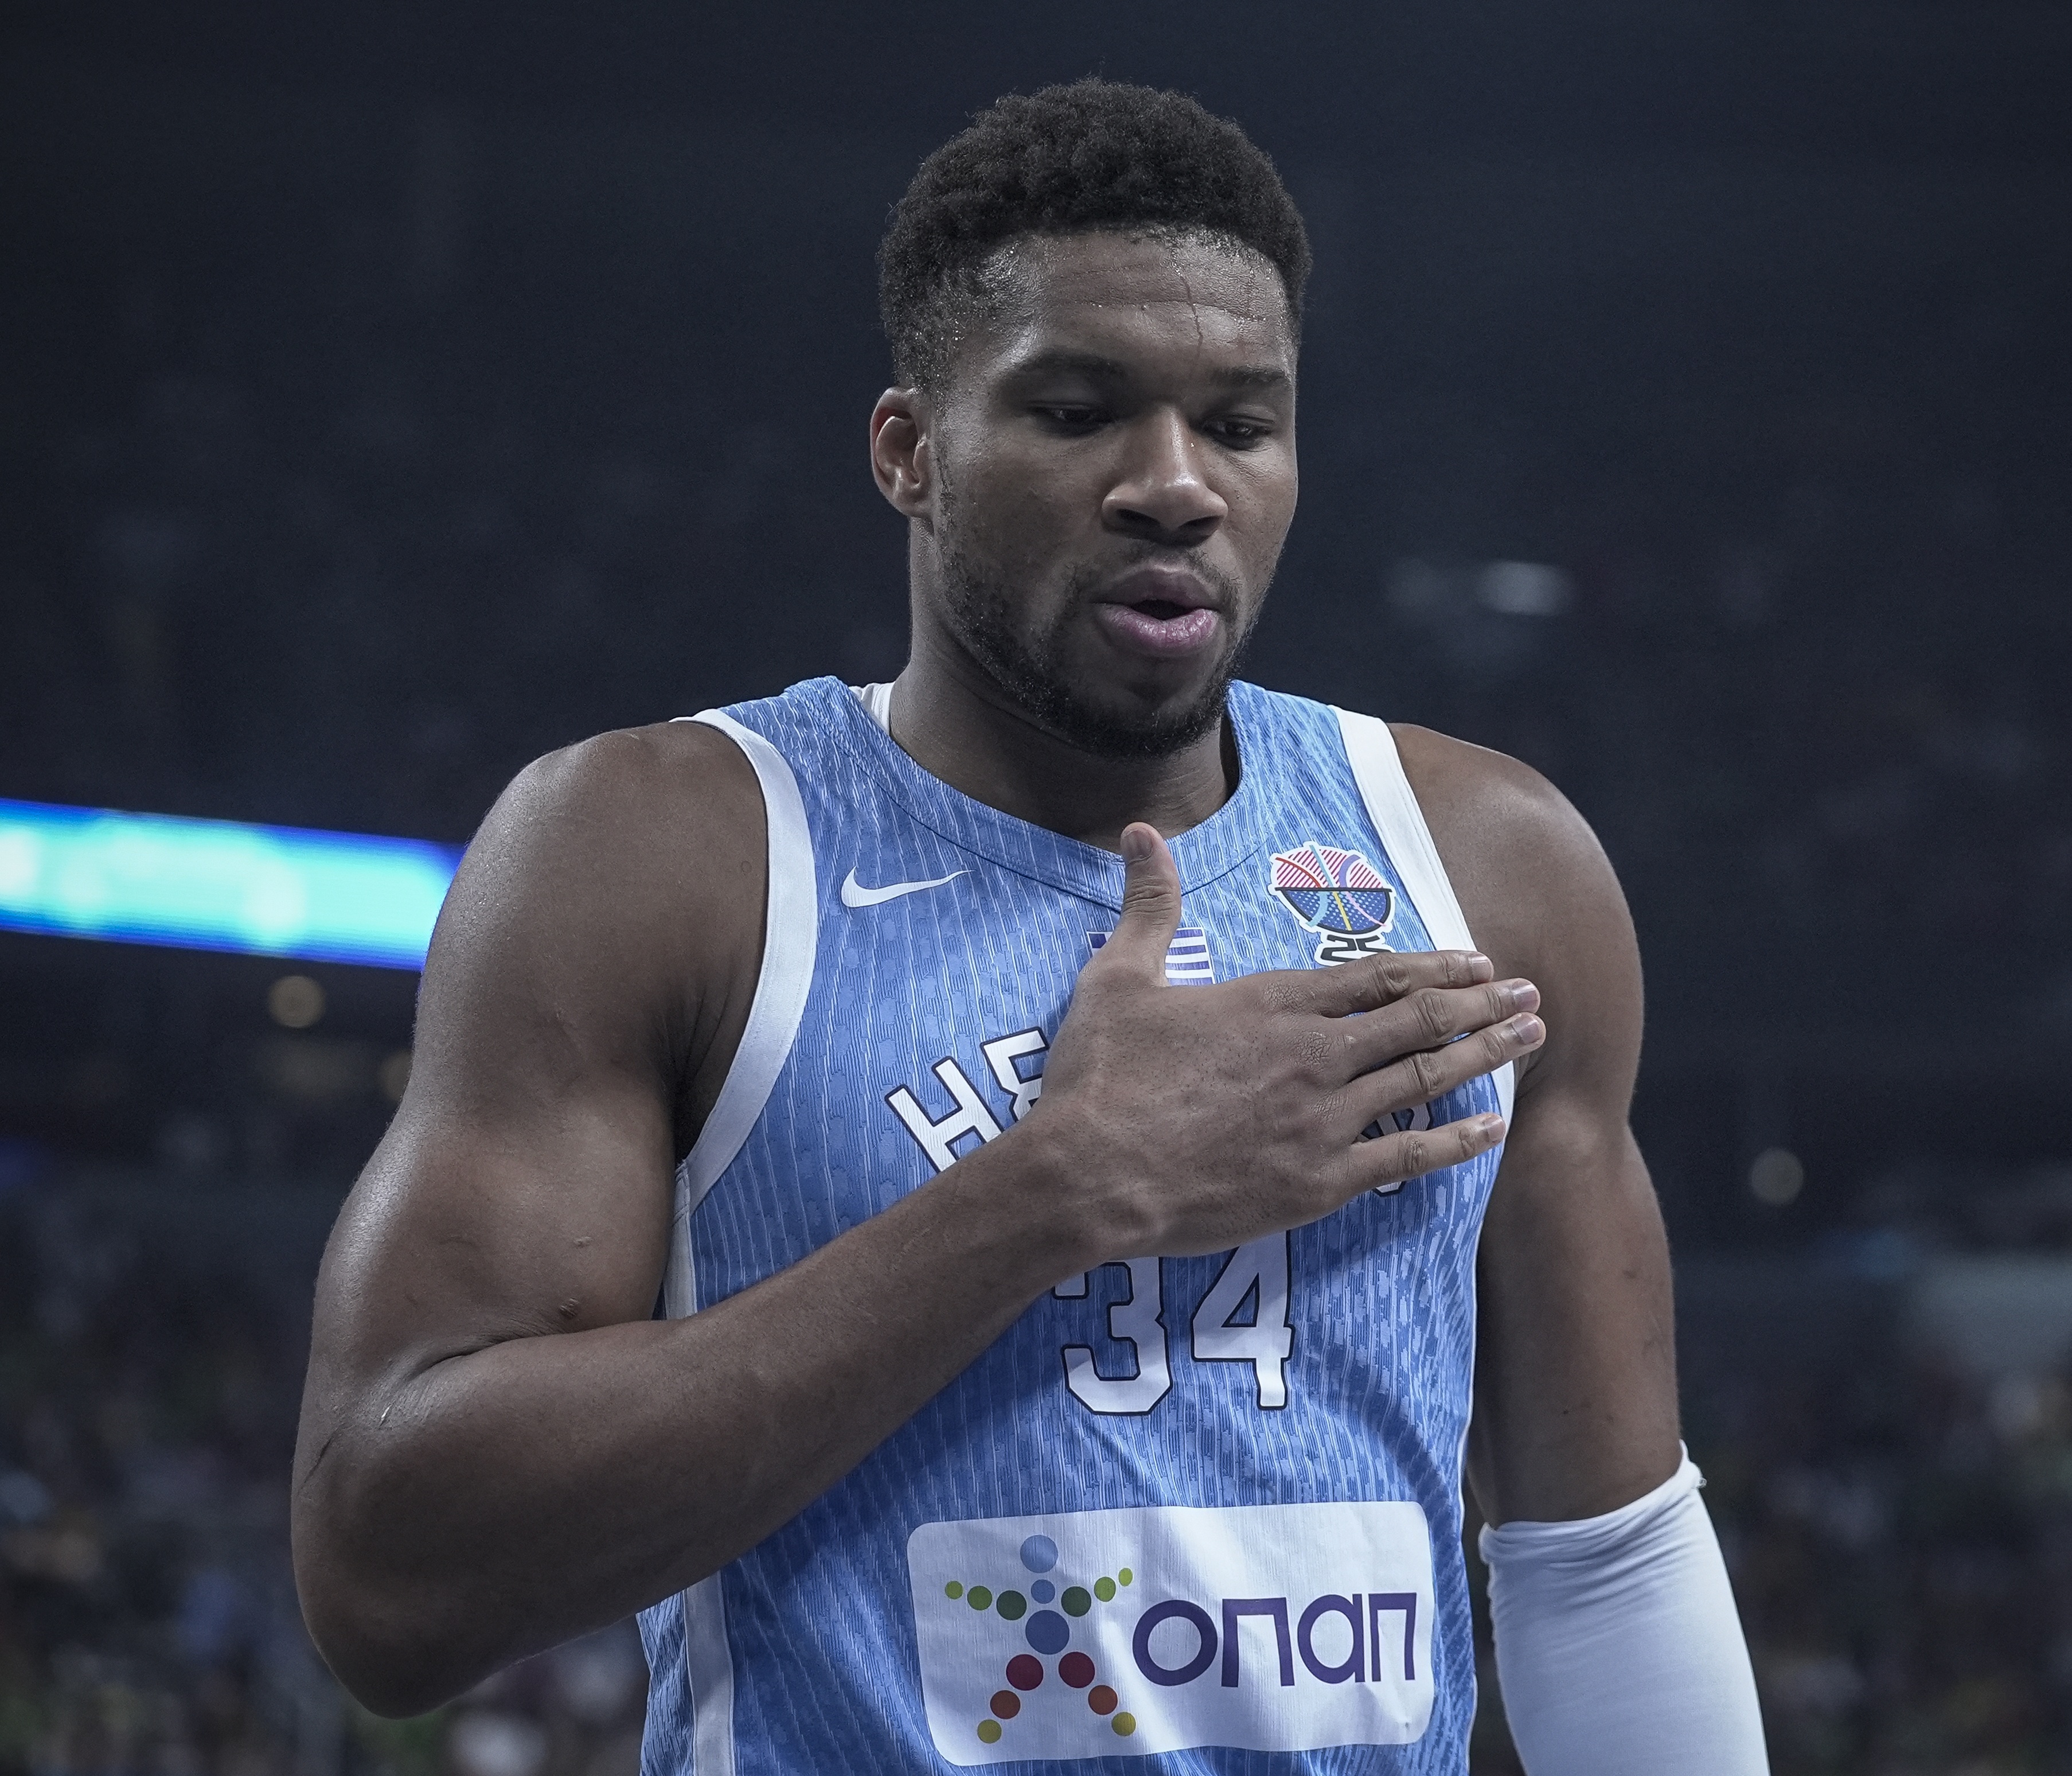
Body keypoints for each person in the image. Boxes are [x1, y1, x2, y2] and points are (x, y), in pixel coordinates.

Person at [291, 79, 1767, 1774]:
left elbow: (1605, 1564)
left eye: (1243, 424)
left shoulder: (1490, 867)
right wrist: (1054, 1194)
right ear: (909, 452)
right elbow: (387, 1582)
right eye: (1079, 412)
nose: (1175, 485)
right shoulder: (660, 853)